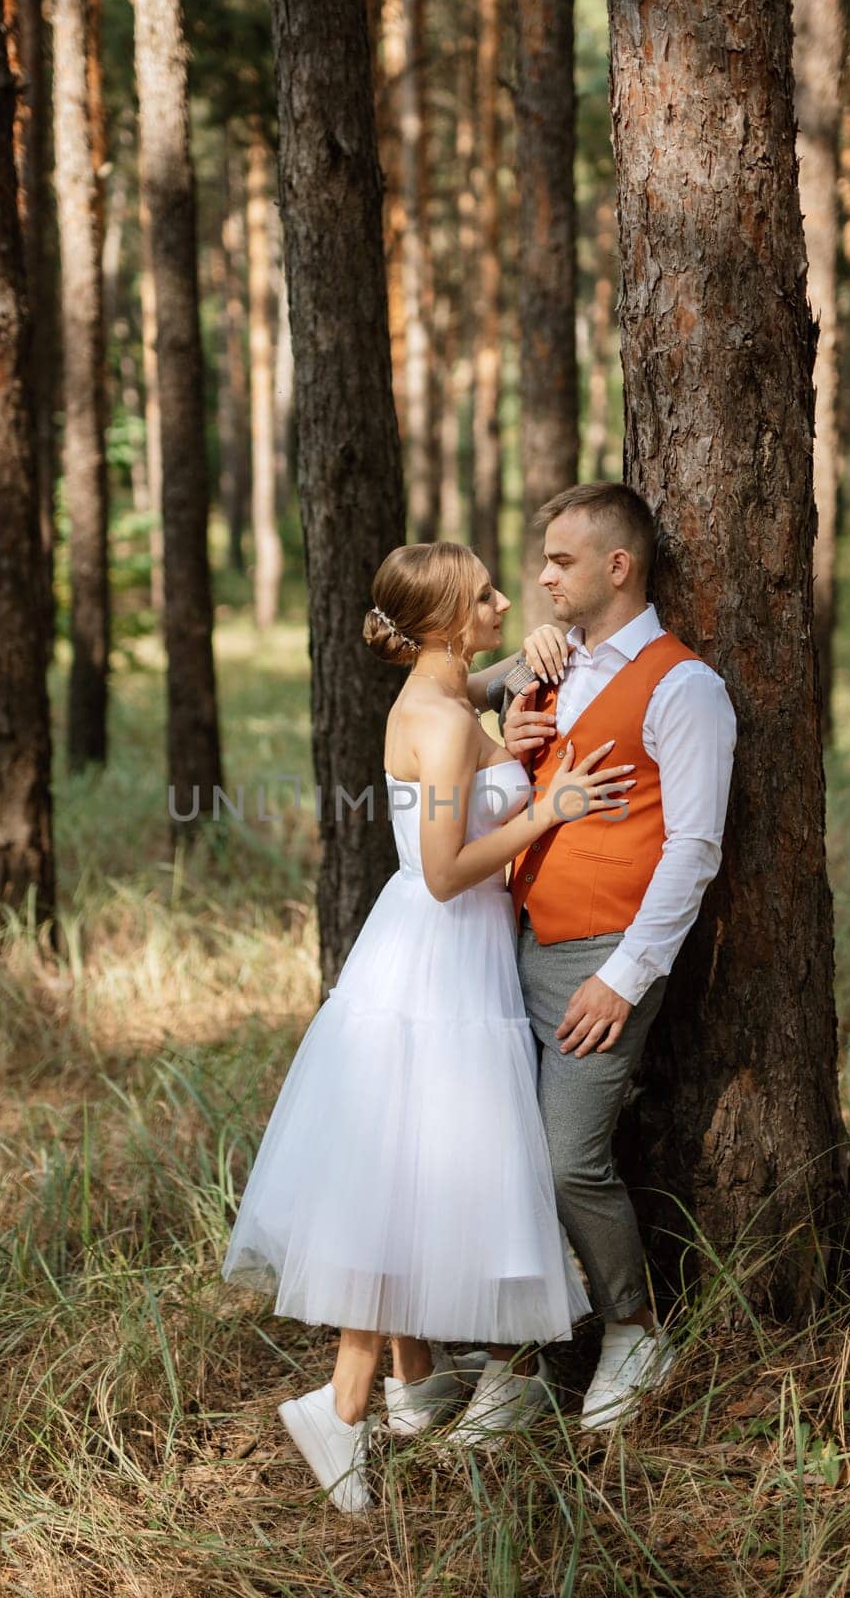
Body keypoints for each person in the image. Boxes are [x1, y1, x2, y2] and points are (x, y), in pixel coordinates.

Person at [221, 541, 636, 1512]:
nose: (503, 599)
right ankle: (346, 1403)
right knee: (415, 1175)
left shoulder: (439, 695)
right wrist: (553, 808)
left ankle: (402, 1386)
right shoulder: (443, 722)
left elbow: (482, 685)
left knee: (407, 1179)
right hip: (444, 953)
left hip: (437, 947)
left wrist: (527, 678)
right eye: (488, 593)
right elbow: (450, 868)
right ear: (450, 617)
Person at [486, 483, 737, 1435]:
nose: (543, 576)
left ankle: (634, 1328)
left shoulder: (686, 687)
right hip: (515, 943)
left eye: (560, 561)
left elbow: (695, 850)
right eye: (544, 560)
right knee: (502, 1157)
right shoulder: (553, 666)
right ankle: (525, 1356)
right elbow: (433, 688)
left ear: (617, 567)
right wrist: (517, 681)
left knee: (566, 1162)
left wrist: (623, 978)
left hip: (604, 958)